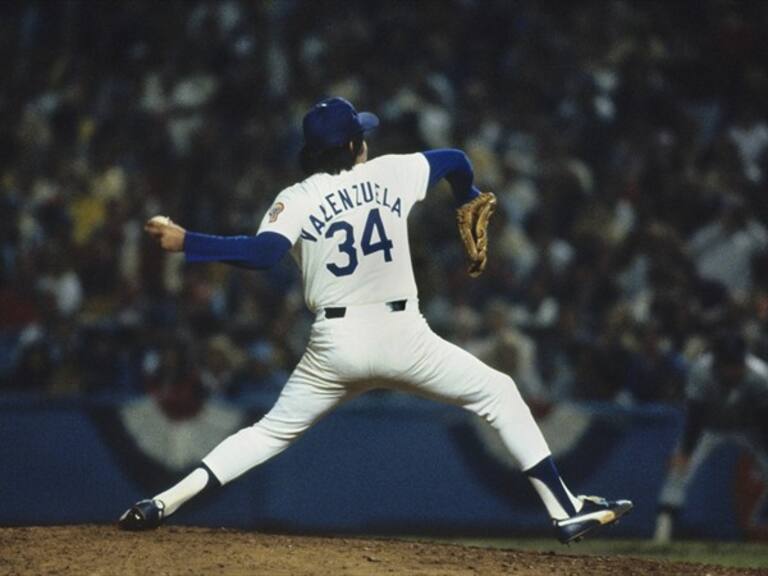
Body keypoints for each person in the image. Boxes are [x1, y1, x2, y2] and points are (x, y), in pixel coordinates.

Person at [119, 96, 632, 543]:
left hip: (334, 346)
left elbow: (259, 255)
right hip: (404, 338)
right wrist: (467, 194)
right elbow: (455, 159)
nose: (365, 141)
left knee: (267, 434)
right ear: (349, 148)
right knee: (498, 392)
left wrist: (188, 241)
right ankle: (564, 509)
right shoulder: (391, 172)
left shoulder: (294, 199)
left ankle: (163, 502)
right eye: (359, 136)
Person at [654, 331, 768, 542]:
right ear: (718, 361)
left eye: (736, 363)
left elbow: (764, 421)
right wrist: (686, 452)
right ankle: (663, 531)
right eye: (728, 363)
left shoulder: (760, 375)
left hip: (749, 428)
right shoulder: (702, 370)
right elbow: (695, 416)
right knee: (679, 468)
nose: (733, 369)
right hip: (710, 427)